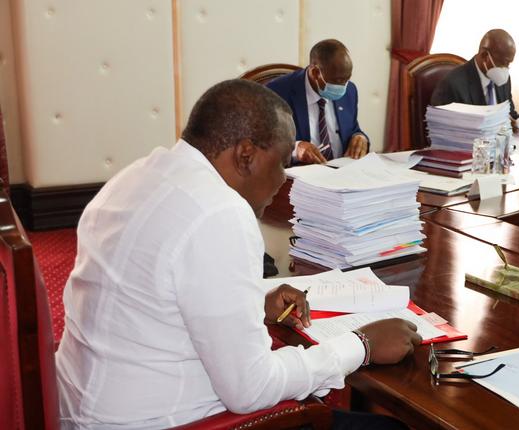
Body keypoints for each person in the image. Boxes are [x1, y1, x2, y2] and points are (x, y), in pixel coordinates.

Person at [55, 79, 419, 429]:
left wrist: (255, 298)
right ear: (246, 155)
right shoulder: (219, 212)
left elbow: (160, 290)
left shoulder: (137, 175)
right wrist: (362, 345)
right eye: (280, 163)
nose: (281, 181)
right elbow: (251, 389)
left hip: (82, 408)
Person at [267, 39, 369, 164]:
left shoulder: (350, 91)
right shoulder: (277, 93)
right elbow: (263, 142)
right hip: (300, 177)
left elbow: (353, 129)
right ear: (315, 72)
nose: (343, 87)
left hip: (344, 174)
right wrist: (295, 148)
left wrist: (360, 138)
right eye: (337, 81)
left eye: (347, 79)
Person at [431, 29, 519, 121]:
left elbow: (511, 115)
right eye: (502, 63)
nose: (505, 69)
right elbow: (444, 128)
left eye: (509, 64)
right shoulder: (452, 85)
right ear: (484, 55)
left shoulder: (504, 80)